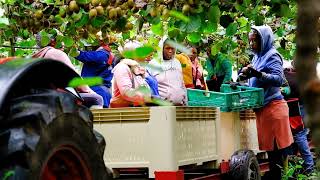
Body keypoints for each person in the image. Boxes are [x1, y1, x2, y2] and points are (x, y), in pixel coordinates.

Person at [238, 25, 293, 180]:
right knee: (270, 151)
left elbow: (278, 79)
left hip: (273, 109)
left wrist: (257, 73)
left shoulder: (272, 55)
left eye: (254, 41)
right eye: (250, 41)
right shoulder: (257, 56)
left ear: (264, 40)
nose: (251, 44)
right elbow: (254, 79)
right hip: (263, 110)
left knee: (277, 152)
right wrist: (245, 74)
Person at [32, 32, 104, 108]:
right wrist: (89, 91)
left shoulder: (39, 55)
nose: (64, 43)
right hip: (57, 96)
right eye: (61, 39)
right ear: (53, 42)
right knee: (97, 98)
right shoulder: (56, 53)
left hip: (43, 96)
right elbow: (75, 79)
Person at [281, 61, 314, 174]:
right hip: (299, 106)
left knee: (298, 135)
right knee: (299, 135)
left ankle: (308, 167)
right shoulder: (301, 77)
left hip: (296, 107)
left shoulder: (287, 75)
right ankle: (306, 166)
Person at [110, 40, 157, 107]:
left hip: (136, 109)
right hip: (124, 113)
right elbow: (126, 92)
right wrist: (148, 98)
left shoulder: (137, 68)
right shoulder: (122, 68)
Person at [148, 37, 188, 106]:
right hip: (161, 107)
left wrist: (185, 102)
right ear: (162, 49)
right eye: (167, 48)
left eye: (172, 48)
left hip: (179, 106)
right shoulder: (154, 64)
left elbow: (182, 85)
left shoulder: (177, 63)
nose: (170, 51)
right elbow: (148, 86)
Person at [74, 41, 114, 108]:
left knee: (96, 115)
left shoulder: (99, 55)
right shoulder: (108, 54)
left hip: (96, 89)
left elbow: (78, 54)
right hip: (104, 90)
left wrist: (71, 47)